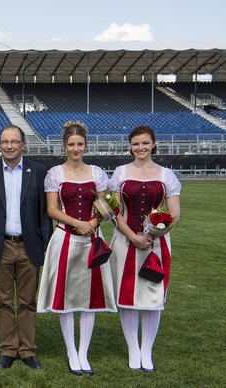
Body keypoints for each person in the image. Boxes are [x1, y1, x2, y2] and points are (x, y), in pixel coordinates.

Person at [36, 121, 117, 376]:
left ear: (85, 145)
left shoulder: (97, 172)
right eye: (71, 144)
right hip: (66, 239)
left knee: (89, 298)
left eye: (79, 144)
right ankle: (72, 351)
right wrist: (78, 223)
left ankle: (84, 352)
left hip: (91, 239)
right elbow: (52, 210)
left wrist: (92, 223)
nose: (75, 148)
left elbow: (107, 206)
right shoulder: (55, 174)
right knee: (68, 296)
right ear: (64, 146)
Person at [0, 124, 52, 369]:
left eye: (14, 141)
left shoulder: (39, 172)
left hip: (30, 246)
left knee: (28, 301)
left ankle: (28, 350)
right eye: (4, 142)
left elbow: (44, 213)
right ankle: (8, 349)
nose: (9, 146)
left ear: (23, 144)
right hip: (1, 246)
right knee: (4, 301)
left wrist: (45, 244)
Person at [109, 125, 181, 372]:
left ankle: (146, 351)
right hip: (124, 240)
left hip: (156, 245)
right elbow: (114, 212)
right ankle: (133, 349)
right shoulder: (120, 173)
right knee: (127, 296)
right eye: (136, 143)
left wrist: (153, 233)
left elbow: (175, 214)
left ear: (154, 144)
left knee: (153, 296)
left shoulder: (166, 175)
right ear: (130, 146)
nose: (141, 147)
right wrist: (132, 235)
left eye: (145, 143)